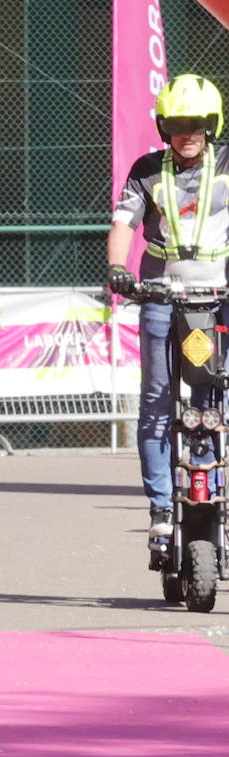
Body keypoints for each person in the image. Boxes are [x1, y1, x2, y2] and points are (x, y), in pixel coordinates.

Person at [106, 73, 229, 562]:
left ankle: (212, 481)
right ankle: (160, 509)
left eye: (198, 123)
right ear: (164, 126)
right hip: (160, 294)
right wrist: (117, 269)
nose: (189, 132)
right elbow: (122, 225)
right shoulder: (145, 171)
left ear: (213, 125)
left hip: (219, 297)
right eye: (179, 123)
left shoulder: (226, 165)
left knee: (214, 396)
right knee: (157, 399)